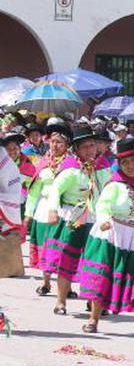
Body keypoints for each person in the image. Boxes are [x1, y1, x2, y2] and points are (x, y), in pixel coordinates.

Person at [77, 138, 134, 333]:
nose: (130, 166)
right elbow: (103, 205)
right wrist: (105, 219)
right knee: (104, 276)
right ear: (119, 164)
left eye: (133, 161)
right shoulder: (115, 184)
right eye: (125, 162)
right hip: (111, 234)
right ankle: (93, 320)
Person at [41, 127, 111, 315]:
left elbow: (111, 190)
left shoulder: (103, 168)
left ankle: (92, 302)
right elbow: (55, 190)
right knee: (68, 260)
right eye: (85, 146)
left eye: (93, 145)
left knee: (94, 262)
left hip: (96, 221)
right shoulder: (71, 168)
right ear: (77, 149)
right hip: (74, 219)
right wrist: (52, 210)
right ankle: (61, 301)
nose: (90, 149)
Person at [25, 121, 72, 295]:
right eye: (52, 141)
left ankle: (66, 286)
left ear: (67, 145)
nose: (55, 145)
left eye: (59, 142)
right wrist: (28, 213)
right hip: (45, 210)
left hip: (65, 209)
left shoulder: (72, 164)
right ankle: (46, 282)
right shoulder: (43, 163)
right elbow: (34, 190)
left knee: (65, 248)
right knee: (46, 246)